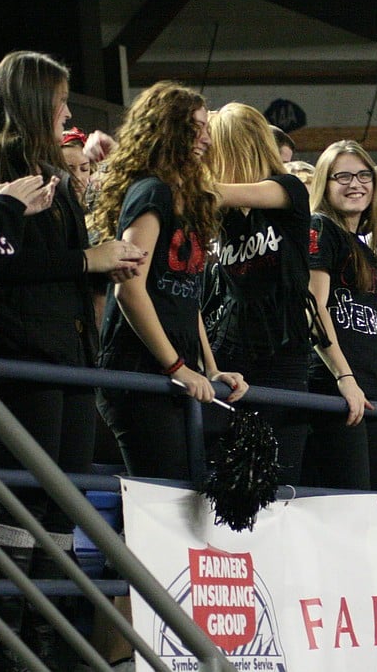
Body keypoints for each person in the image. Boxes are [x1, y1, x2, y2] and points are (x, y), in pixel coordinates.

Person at [94, 81, 248, 482]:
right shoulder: (152, 192)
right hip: (139, 372)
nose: (204, 139)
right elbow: (129, 288)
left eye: (205, 128)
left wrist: (209, 369)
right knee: (166, 497)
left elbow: (187, 298)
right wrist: (178, 366)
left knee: (187, 492)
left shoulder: (189, 200)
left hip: (173, 371)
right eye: (193, 128)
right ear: (166, 131)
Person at [0, 50, 76, 668]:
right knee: (26, 507)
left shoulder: (52, 172)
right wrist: (86, 262)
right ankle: (10, 648)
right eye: (60, 101)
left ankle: (51, 647)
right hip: (25, 358)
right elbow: (4, 269)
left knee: (67, 509)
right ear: (32, 101)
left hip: (74, 358)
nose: (68, 113)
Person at [204, 102, 314, 484]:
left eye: (212, 146)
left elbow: (212, 191)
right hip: (228, 351)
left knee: (278, 481)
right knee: (220, 476)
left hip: (281, 354)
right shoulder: (222, 216)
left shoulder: (289, 189)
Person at [304, 140, 377, 491]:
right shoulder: (321, 228)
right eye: (343, 176)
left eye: (363, 174)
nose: (355, 184)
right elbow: (312, 306)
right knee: (351, 505)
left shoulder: (366, 249)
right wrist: (344, 377)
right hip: (333, 390)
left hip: (367, 393)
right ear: (325, 182)